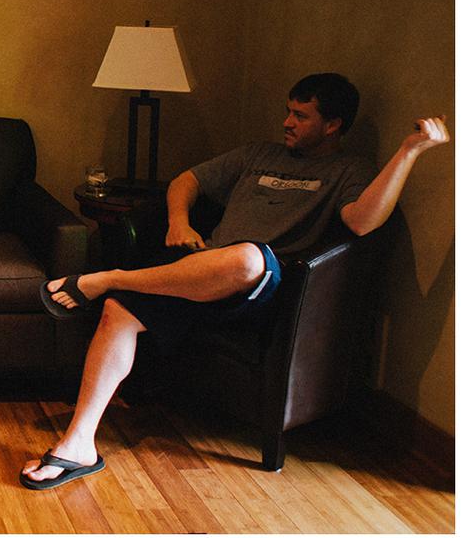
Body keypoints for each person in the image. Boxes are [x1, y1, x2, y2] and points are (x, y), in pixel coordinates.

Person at [22, 72, 449, 490]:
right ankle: (79, 444)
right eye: (288, 111)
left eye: (301, 116)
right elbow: (187, 180)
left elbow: (362, 222)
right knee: (118, 313)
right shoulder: (258, 154)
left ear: (332, 125)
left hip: (264, 287)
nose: (287, 122)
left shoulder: (348, 169)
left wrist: (409, 151)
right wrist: (179, 222)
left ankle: (109, 278)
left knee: (246, 257)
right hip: (202, 270)